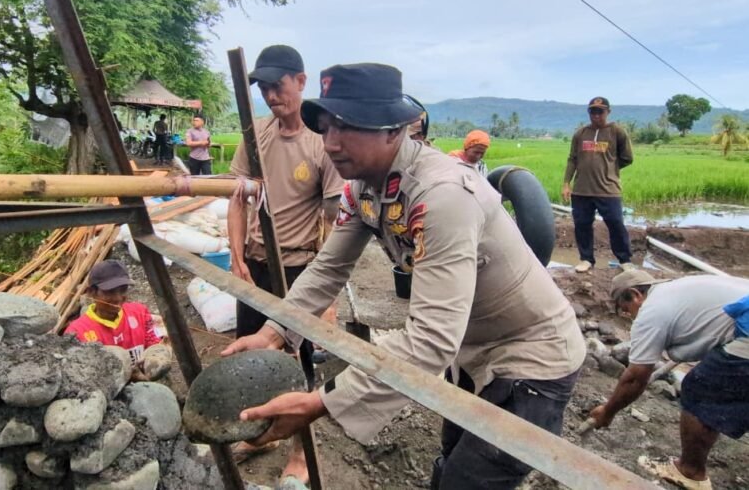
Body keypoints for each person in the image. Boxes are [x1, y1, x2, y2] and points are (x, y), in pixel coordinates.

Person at [223, 63, 586, 490]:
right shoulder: (363, 187)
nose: (332, 143)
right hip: (470, 350)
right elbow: (329, 267)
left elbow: (430, 338)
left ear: (393, 130)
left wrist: (320, 401)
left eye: (347, 127)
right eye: (325, 127)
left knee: (470, 481)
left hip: (531, 357)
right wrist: (273, 332)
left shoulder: (443, 195)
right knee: (450, 459)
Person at [227, 44, 344, 485]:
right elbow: (238, 201)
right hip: (255, 267)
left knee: (300, 362)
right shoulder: (254, 135)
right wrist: (236, 255)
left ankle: (300, 452)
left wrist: (326, 295)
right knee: (253, 354)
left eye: (279, 85)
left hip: (299, 271)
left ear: (301, 81)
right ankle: (262, 432)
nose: (272, 95)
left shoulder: (321, 143)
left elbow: (333, 226)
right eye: (263, 88)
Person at [588, 270, 749, 490]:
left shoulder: (652, 310)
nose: (630, 317)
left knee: (699, 388)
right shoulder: (678, 289)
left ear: (636, 295)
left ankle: (690, 472)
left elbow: (636, 377)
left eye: (626, 311)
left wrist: (608, 412)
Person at [561, 96, 634, 273]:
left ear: (608, 112)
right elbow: (573, 159)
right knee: (582, 225)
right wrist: (566, 183)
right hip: (581, 190)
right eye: (593, 111)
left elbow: (627, 158)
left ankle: (625, 260)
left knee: (616, 224)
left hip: (608, 190)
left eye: (600, 111)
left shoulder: (617, 132)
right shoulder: (580, 134)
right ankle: (586, 259)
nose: (596, 115)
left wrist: (609, 169)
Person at [64, 260, 162, 381]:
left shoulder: (140, 313)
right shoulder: (77, 332)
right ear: (91, 293)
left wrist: (160, 356)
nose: (118, 298)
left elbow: (154, 347)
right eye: (109, 292)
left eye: (123, 290)